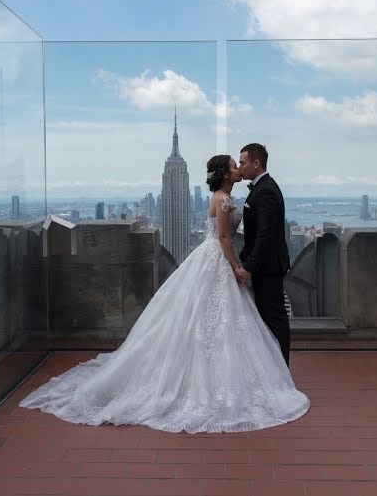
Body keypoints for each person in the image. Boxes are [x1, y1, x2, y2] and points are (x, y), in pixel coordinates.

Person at [18, 154, 308, 433]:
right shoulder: (221, 199)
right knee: (210, 320)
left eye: (240, 164)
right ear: (223, 173)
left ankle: (230, 373)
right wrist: (236, 266)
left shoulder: (231, 198)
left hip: (222, 260)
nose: (238, 169)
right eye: (234, 165)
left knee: (221, 321)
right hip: (217, 259)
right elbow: (221, 237)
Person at [236, 143, 291, 365]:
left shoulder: (266, 190)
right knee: (268, 318)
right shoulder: (262, 187)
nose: (240, 168)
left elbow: (265, 235)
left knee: (274, 319)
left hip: (267, 268)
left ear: (256, 163)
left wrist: (249, 267)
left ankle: (282, 370)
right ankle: (274, 369)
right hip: (265, 266)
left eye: (243, 163)